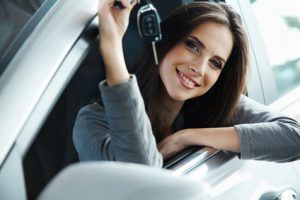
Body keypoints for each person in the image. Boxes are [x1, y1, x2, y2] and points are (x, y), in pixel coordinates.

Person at [73, 0, 300, 167]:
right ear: (165, 42)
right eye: (193, 46)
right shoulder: (92, 122)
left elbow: (294, 137)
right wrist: (112, 45)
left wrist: (186, 137)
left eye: (215, 63)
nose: (199, 69)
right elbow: (141, 177)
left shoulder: (217, 103)